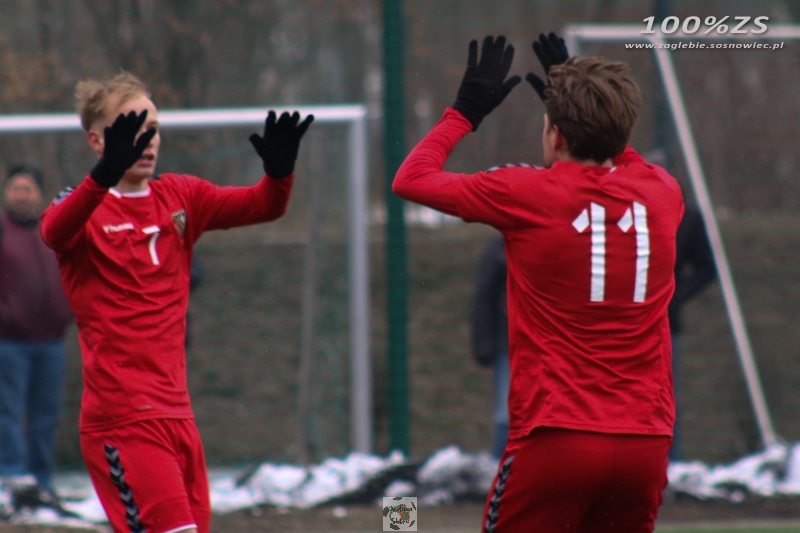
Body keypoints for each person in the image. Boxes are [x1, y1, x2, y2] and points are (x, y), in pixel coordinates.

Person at [393, 33, 683, 532]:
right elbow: (621, 156)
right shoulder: (662, 191)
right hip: (646, 445)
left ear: (557, 136)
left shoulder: (525, 192)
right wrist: (589, 103)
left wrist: (464, 112)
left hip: (557, 438)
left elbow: (410, 178)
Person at [40, 72, 313, 533]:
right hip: (122, 419)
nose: (146, 141)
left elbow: (263, 206)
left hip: (177, 414)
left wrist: (279, 172)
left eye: (153, 129)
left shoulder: (180, 195)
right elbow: (53, 231)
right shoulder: (81, 206)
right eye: (130, 130)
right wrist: (104, 174)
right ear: (97, 140)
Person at [0, 166, 73, 499]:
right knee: (8, 414)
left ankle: (41, 481)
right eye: (16, 188)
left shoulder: (52, 230)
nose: (21, 195)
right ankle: (12, 478)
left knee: (45, 416)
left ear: (39, 194)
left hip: (52, 341)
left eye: (28, 188)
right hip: (10, 343)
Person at [669, 205, 716, 460]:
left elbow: (706, 267)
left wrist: (674, 297)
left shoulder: (685, 217)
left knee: (663, 398)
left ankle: (669, 467)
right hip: (612, 326)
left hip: (663, 326)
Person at [470, 234, 510, 459]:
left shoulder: (500, 250)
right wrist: (484, 345)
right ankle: (500, 470)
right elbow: (483, 298)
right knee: (507, 415)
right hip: (510, 346)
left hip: (527, 345)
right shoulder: (499, 251)